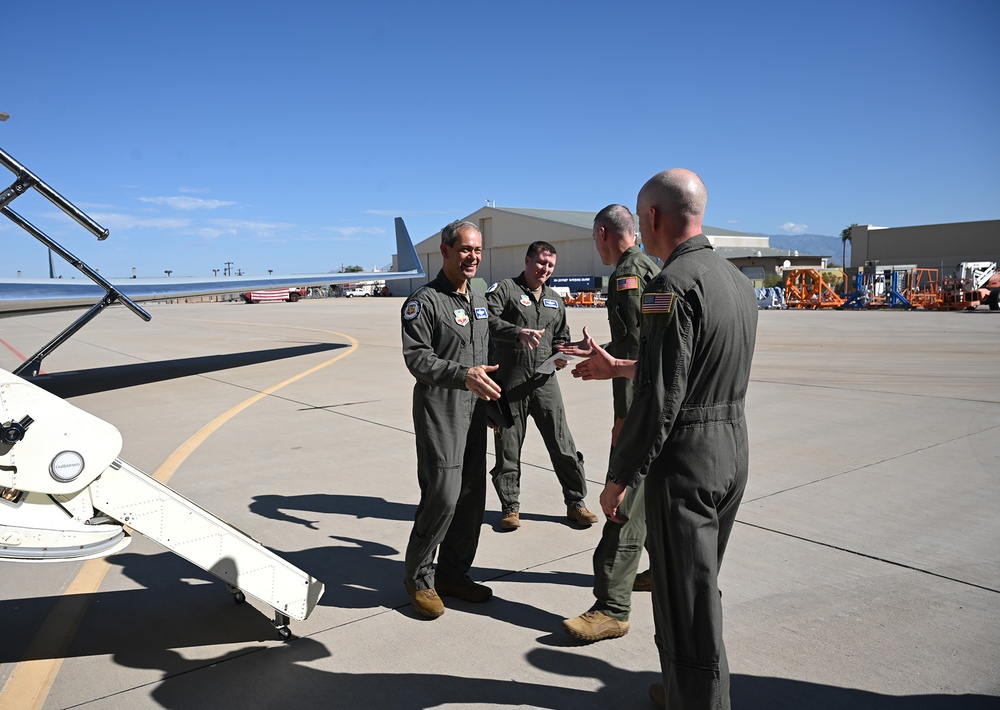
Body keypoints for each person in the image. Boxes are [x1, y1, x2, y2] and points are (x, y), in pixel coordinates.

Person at [571, 170, 758, 709]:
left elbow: (662, 397)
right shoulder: (733, 280)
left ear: (652, 217)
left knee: (685, 605)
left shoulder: (670, 286)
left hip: (688, 460)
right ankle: (686, 690)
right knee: (697, 589)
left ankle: (697, 700)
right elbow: (686, 370)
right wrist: (622, 367)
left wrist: (620, 476)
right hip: (731, 449)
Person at [560, 204, 661, 642]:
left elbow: (642, 351)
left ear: (603, 232)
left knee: (621, 505)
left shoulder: (628, 274)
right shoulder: (646, 267)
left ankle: (612, 608)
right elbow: (632, 342)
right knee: (652, 498)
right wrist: (596, 350)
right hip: (655, 404)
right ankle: (660, 571)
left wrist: (626, 419)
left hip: (641, 407)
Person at [400, 220, 501, 619]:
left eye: (477, 250)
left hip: (476, 408)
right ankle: (419, 577)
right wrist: (463, 376)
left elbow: (489, 338)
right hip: (441, 408)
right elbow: (417, 358)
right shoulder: (423, 302)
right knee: (443, 493)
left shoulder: (478, 296)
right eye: (465, 250)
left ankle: (454, 574)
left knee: (473, 495)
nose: (473, 257)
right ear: (445, 251)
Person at [485, 241, 598, 530]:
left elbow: (560, 338)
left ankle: (576, 503)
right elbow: (486, 321)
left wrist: (569, 352)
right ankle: (510, 508)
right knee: (508, 448)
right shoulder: (506, 290)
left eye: (550, 266)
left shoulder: (555, 300)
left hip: (545, 383)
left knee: (563, 444)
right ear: (527, 260)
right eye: (540, 263)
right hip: (511, 382)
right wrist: (517, 333)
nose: (545, 269)